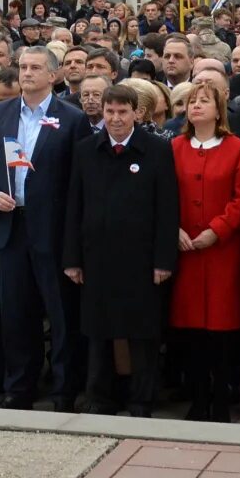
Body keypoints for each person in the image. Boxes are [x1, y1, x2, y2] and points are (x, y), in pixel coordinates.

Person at [0, 43, 91, 411]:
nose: (26, 73)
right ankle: (19, 387)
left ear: (53, 75)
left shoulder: (71, 119)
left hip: (52, 231)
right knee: (15, 313)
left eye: (35, 68)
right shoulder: (0, 114)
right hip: (10, 226)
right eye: (22, 66)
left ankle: (63, 390)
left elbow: (79, 182)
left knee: (59, 315)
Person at [65, 82, 180, 417]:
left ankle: (141, 399)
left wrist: (163, 260)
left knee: (141, 332)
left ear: (136, 113)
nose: (115, 119)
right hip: (97, 257)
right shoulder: (87, 149)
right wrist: (72, 258)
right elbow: (75, 205)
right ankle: (100, 396)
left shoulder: (156, 150)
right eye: (110, 112)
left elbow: (167, 209)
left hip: (141, 260)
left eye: (122, 112)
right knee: (99, 331)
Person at [168, 78, 240, 422]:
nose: (196, 107)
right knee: (191, 333)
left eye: (204, 101)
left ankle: (221, 399)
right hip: (185, 251)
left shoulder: (236, 148)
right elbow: (163, 194)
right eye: (192, 102)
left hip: (222, 253)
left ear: (219, 109)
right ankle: (197, 398)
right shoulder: (175, 146)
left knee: (220, 332)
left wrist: (216, 231)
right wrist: (174, 228)